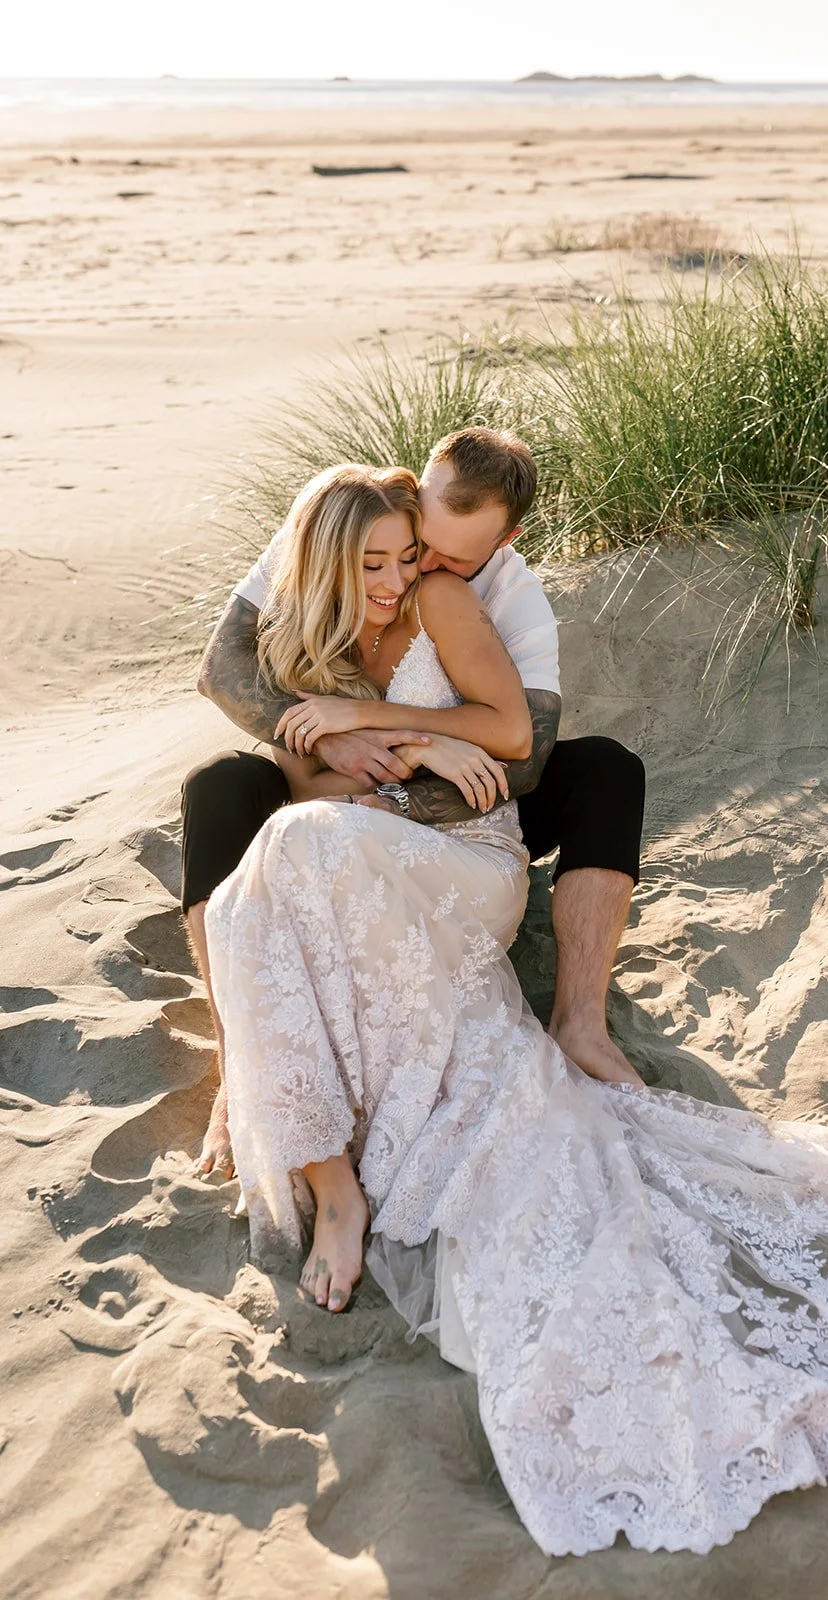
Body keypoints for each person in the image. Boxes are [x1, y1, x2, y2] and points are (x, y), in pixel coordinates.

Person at [204, 459, 828, 1559]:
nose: (396, 578)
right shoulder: (301, 636)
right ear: (329, 562)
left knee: (292, 852)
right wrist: (342, 745)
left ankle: (388, 1140)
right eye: (374, 563)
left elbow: (512, 733)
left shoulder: (444, 600)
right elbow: (300, 773)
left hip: (465, 863)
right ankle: (330, 1178)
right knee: (259, 883)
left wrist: (398, 731)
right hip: (363, 853)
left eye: (405, 557)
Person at [182, 427, 646, 1178]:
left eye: (441, 557)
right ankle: (238, 1061)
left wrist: (390, 741)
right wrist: (337, 739)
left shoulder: (503, 596)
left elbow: (522, 751)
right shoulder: (349, 525)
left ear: (503, 542)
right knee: (220, 787)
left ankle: (581, 1022)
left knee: (606, 770)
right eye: (413, 541)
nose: (414, 568)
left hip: (474, 800)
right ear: (415, 487)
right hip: (339, 792)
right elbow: (221, 670)